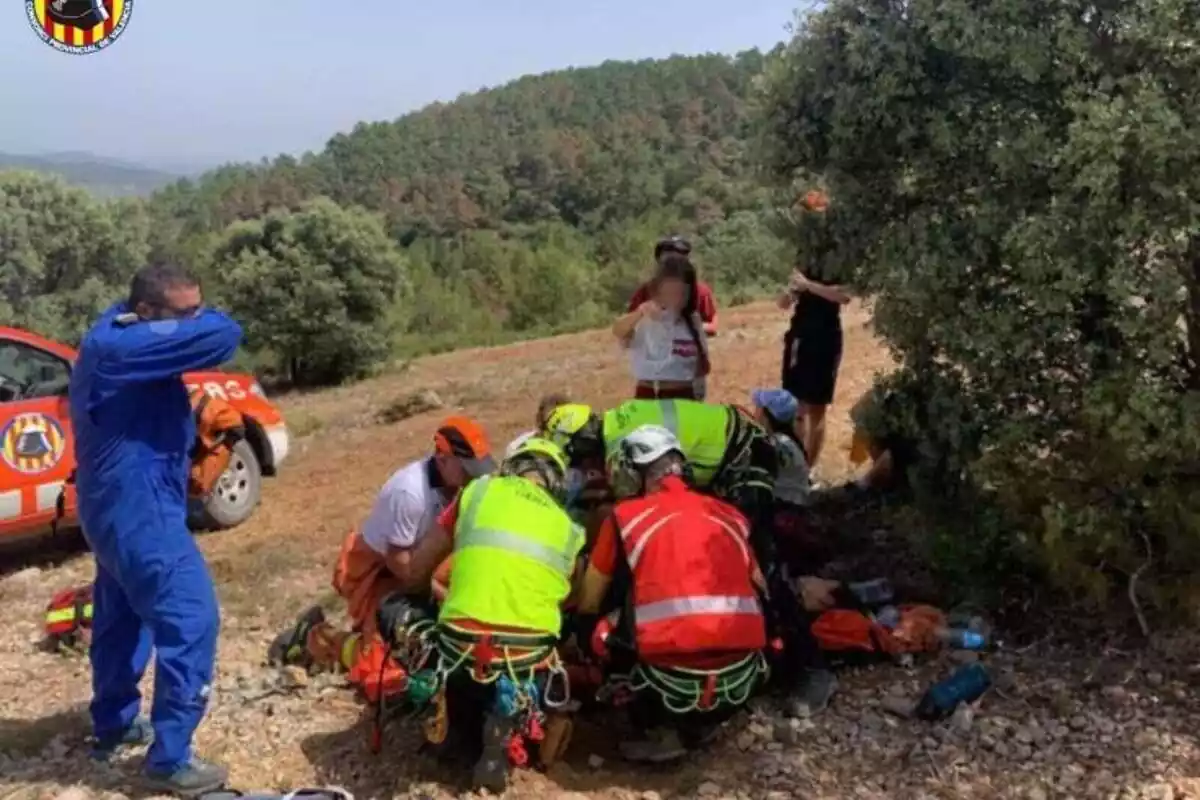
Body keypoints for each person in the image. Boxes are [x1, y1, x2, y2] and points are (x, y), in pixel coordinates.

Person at [68, 264, 243, 796]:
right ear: (144, 313)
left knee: (123, 618)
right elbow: (225, 334)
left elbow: (200, 332)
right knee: (191, 617)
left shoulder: (120, 335)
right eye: (182, 314)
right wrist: (203, 321)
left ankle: (115, 723)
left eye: (198, 308)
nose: (194, 322)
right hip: (138, 512)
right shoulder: (120, 350)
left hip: (119, 507)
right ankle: (169, 760)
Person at [380, 436, 585, 793]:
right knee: (543, 645)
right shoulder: (571, 531)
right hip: (526, 658)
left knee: (396, 610)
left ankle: (449, 723)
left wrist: (435, 593)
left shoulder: (475, 493)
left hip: (461, 650)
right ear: (556, 482)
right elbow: (571, 602)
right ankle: (504, 725)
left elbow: (418, 571)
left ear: (512, 466)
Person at [574, 425, 769, 762]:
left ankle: (657, 728)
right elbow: (762, 588)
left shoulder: (625, 518)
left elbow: (590, 600)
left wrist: (578, 634)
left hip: (668, 682)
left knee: (600, 631)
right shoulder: (729, 514)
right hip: (741, 676)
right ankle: (705, 723)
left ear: (635, 474)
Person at [270, 417, 495, 702]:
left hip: (425, 569)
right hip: (381, 574)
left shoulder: (465, 487)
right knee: (388, 674)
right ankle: (316, 638)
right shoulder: (410, 493)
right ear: (442, 459)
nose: (473, 478)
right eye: (466, 470)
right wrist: (435, 597)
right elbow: (401, 566)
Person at [777, 265, 851, 471]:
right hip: (799, 339)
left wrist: (808, 286)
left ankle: (809, 469)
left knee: (817, 408)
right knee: (794, 405)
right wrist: (791, 290)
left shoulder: (837, 262)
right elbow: (782, 304)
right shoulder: (804, 265)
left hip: (826, 340)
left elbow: (843, 296)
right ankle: (793, 464)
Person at [613, 253, 711, 401]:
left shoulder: (692, 321)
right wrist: (639, 313)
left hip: (684, 398)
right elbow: (618, 331)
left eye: (682, 294)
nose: (676, 301)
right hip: (650, 396)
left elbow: (703, 367)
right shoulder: (645, 318)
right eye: (670, 294)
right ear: (656, 292)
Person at [628, 235, 720, 338]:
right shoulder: (645, 292)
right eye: (669, 261)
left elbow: (713, 324)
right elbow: (625, 329)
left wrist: (688, 329)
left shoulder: (701, 291)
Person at [749, 388, 810, 508]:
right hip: (795, 506)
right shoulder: (790, 442)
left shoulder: (773, 445)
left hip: (781, 509)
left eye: (758, 408)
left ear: (766, 417)